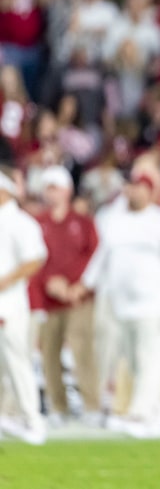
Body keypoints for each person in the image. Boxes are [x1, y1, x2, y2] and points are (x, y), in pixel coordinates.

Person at [74, 170, 160, 438]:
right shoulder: (114, 222)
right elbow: (101, 257)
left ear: (151, 192)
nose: (135, 191)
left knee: (150, 357)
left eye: (141, 187)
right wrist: (85, 285)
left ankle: (141, 413)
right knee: (130, 359)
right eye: (131, 186)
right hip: (121, 304)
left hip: (155, 303)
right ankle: (150, 411)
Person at [29, 165, 100, 424]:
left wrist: (79, 285)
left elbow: (94, 255)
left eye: (56, 187)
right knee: (49, 353)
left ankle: (92, 405)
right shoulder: (38, 223)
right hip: (49, 300)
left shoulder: (83, 223)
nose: (52, 193)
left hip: (78, 298)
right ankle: (58, 407)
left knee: (82, 351)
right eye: (48, 188)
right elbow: (32, 258)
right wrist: (50, 282)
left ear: (68, 190)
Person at [0, 164, 47, 444]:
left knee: (17, 361)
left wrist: (5, 281)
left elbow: (35, 259)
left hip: (9, 303)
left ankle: (33, 421)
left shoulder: (21, 222)